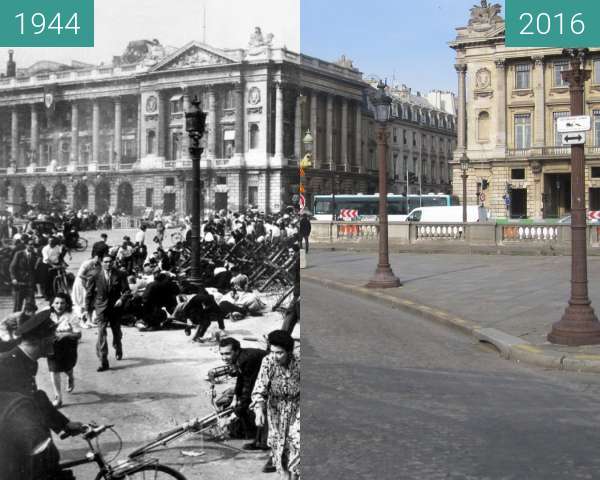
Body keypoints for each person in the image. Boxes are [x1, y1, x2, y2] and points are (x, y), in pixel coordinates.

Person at [0, 311, 84, 479]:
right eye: (52, 335)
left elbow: (35, 398)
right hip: (13, 452)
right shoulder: (6, 365)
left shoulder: (24, 361)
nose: (55, 339)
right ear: (41, 339)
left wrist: (64, 424)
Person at [251, 330, 300, 479]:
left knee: (297, 444)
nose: (275, 356)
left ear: (289, 352)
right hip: (276, 409)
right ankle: (285, 476)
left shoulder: (300, 362)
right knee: (279, 447)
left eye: (279, 353)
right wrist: (259, 410)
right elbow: (260, 388)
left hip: (297, 408)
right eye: (272, 352)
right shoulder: (268, 361)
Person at [219, 337, 268, 450]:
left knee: (250, 407)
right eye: (221, 354)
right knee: (238, 402)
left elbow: (249, 391)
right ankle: (249, 436)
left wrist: (232, 416)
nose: (224, 358)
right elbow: (241, 378)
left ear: (236, 351)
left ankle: (259, 442)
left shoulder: (247, 360)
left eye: (227, 354)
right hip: (263, 380)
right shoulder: (240, 357)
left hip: (278, 380)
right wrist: (235, 397)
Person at [86, 256, 130, 371]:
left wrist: (121, 299)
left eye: (110, 262)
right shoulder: (95, 274)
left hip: (115, 308)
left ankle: (118, 346)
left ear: (114, 262)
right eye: (105, 262)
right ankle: (103, 360)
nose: (108, 264)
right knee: (101, 333)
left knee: (116, 332)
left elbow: (126, 291)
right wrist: (88, 311)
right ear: (101, 263)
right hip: (101, 308)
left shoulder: (120, 274)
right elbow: (89, 293)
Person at [44, 293, 81, 408]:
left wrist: (64, 335)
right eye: (57, 303)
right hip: (52, 346)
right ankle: (58, 397)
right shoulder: (46, 314)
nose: (59, 306)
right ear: (52, 304)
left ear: (67, 304)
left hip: (68, 347)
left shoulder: (71, 316)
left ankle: (70, 377)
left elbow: (78, 334)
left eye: (62, 303)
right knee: (53, 370)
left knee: (67, 368)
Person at [10, 237, 39, 312]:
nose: (32, 246)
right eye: (30, 244)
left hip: (30, 284)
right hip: (19, 283)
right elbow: (12, 267)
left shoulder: (35, 255)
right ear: (26, 245)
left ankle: (30, 322)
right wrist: (13, 278)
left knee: (30, 305)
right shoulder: (19, 254)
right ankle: (15, 322)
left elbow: (36, 269)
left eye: (33, 245)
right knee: (17, 306)